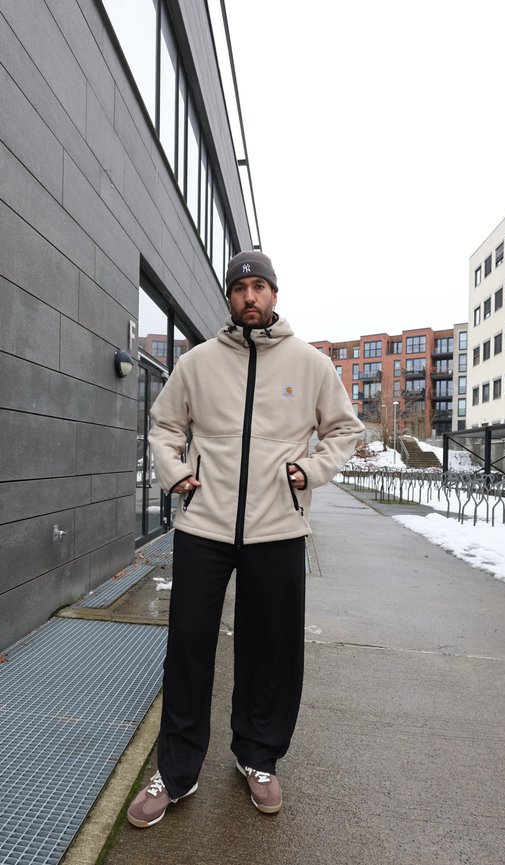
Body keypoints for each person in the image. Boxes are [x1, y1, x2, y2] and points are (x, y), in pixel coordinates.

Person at [127, 251, 364, 828]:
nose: (250, 296)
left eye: (259, 286)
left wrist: (309, 471)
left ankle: (258, 758)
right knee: (188, 646)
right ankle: (176, 772)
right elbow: (164, 425)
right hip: (204, 527)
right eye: (240, 288)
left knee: (272, 649)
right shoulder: (198, 363)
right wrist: (175, 473)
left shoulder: (310, 364)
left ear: (274, 295)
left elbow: (345, 429)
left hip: (277, 529)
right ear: (230, 298)